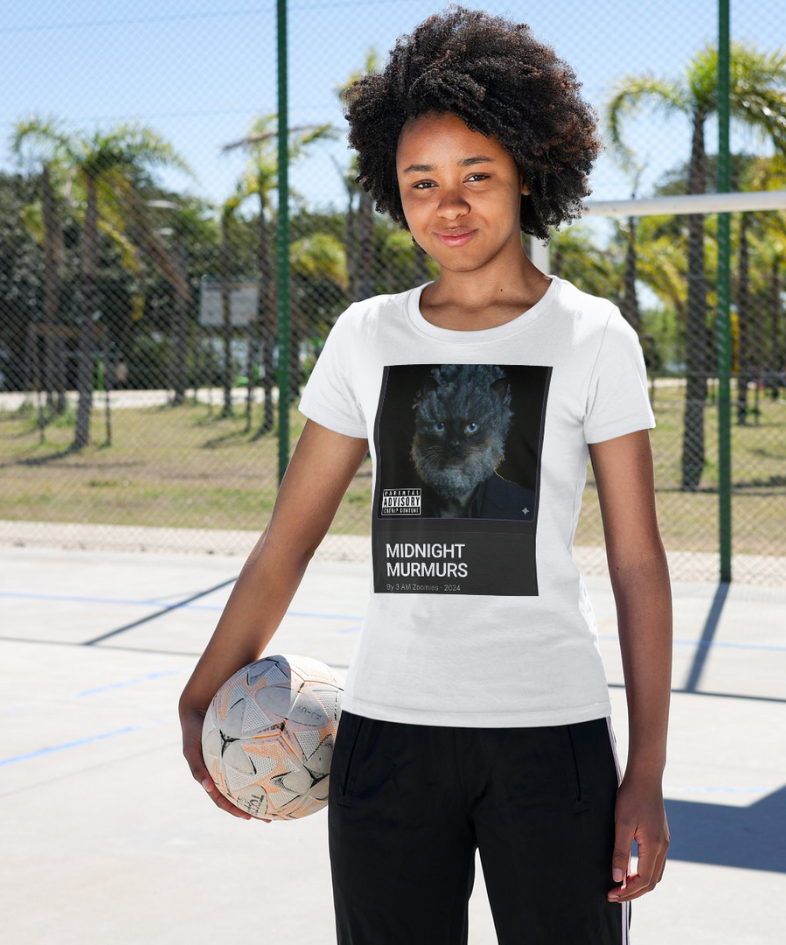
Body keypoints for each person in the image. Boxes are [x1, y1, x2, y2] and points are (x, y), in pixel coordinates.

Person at [179, 6, 672, 943]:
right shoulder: (366, 335)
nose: (449, 205)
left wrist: (643, 769)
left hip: (551, 740)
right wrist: (204, 682)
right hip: (386, 739)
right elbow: (289, 538)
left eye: (476, 175)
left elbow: (638, 561)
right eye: (421, 182)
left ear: (530, 170)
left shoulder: (593, 334)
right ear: (391, 190)